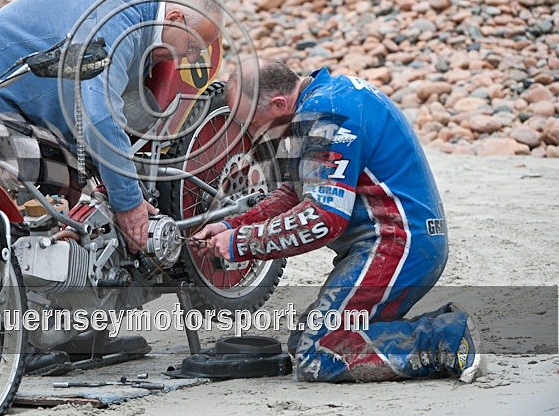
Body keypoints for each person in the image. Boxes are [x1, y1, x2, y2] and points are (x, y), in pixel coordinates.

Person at [0, 0, 223, 374]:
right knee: (29, 217)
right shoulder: (120, 20)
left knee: (73, 203)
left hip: (13, 93)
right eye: (193, 46)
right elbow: (98, 117)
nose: (188, 58)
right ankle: (23, 341)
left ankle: (80, 328)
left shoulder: (138, 9)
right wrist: (129, 204)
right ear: (176, 18)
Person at [191, 58, 487, 383]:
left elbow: (323, 219)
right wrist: (233, 226)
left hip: (397, 245)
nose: (246, 131)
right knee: (304, 339)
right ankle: (431, 330)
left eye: (247, 121)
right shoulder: (314, 106)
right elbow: (294, 192)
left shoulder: (324, 115)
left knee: (318, 352)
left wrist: (241, 243)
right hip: (394, 240)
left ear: (278, 104)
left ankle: (447, 337)